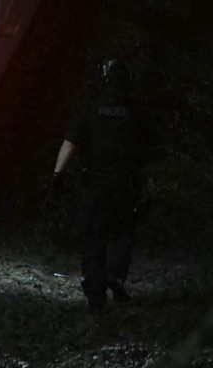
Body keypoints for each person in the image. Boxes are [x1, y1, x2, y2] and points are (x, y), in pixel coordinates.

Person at [51, 59, 154, 315]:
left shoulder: (91, 109)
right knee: (124, 230)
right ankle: (115, 276)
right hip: (127, 182)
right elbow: (151, 149)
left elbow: (70, 143)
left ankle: (96, 294)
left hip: (96, 183)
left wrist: (57, 175)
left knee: (93, 236)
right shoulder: (137, 111)